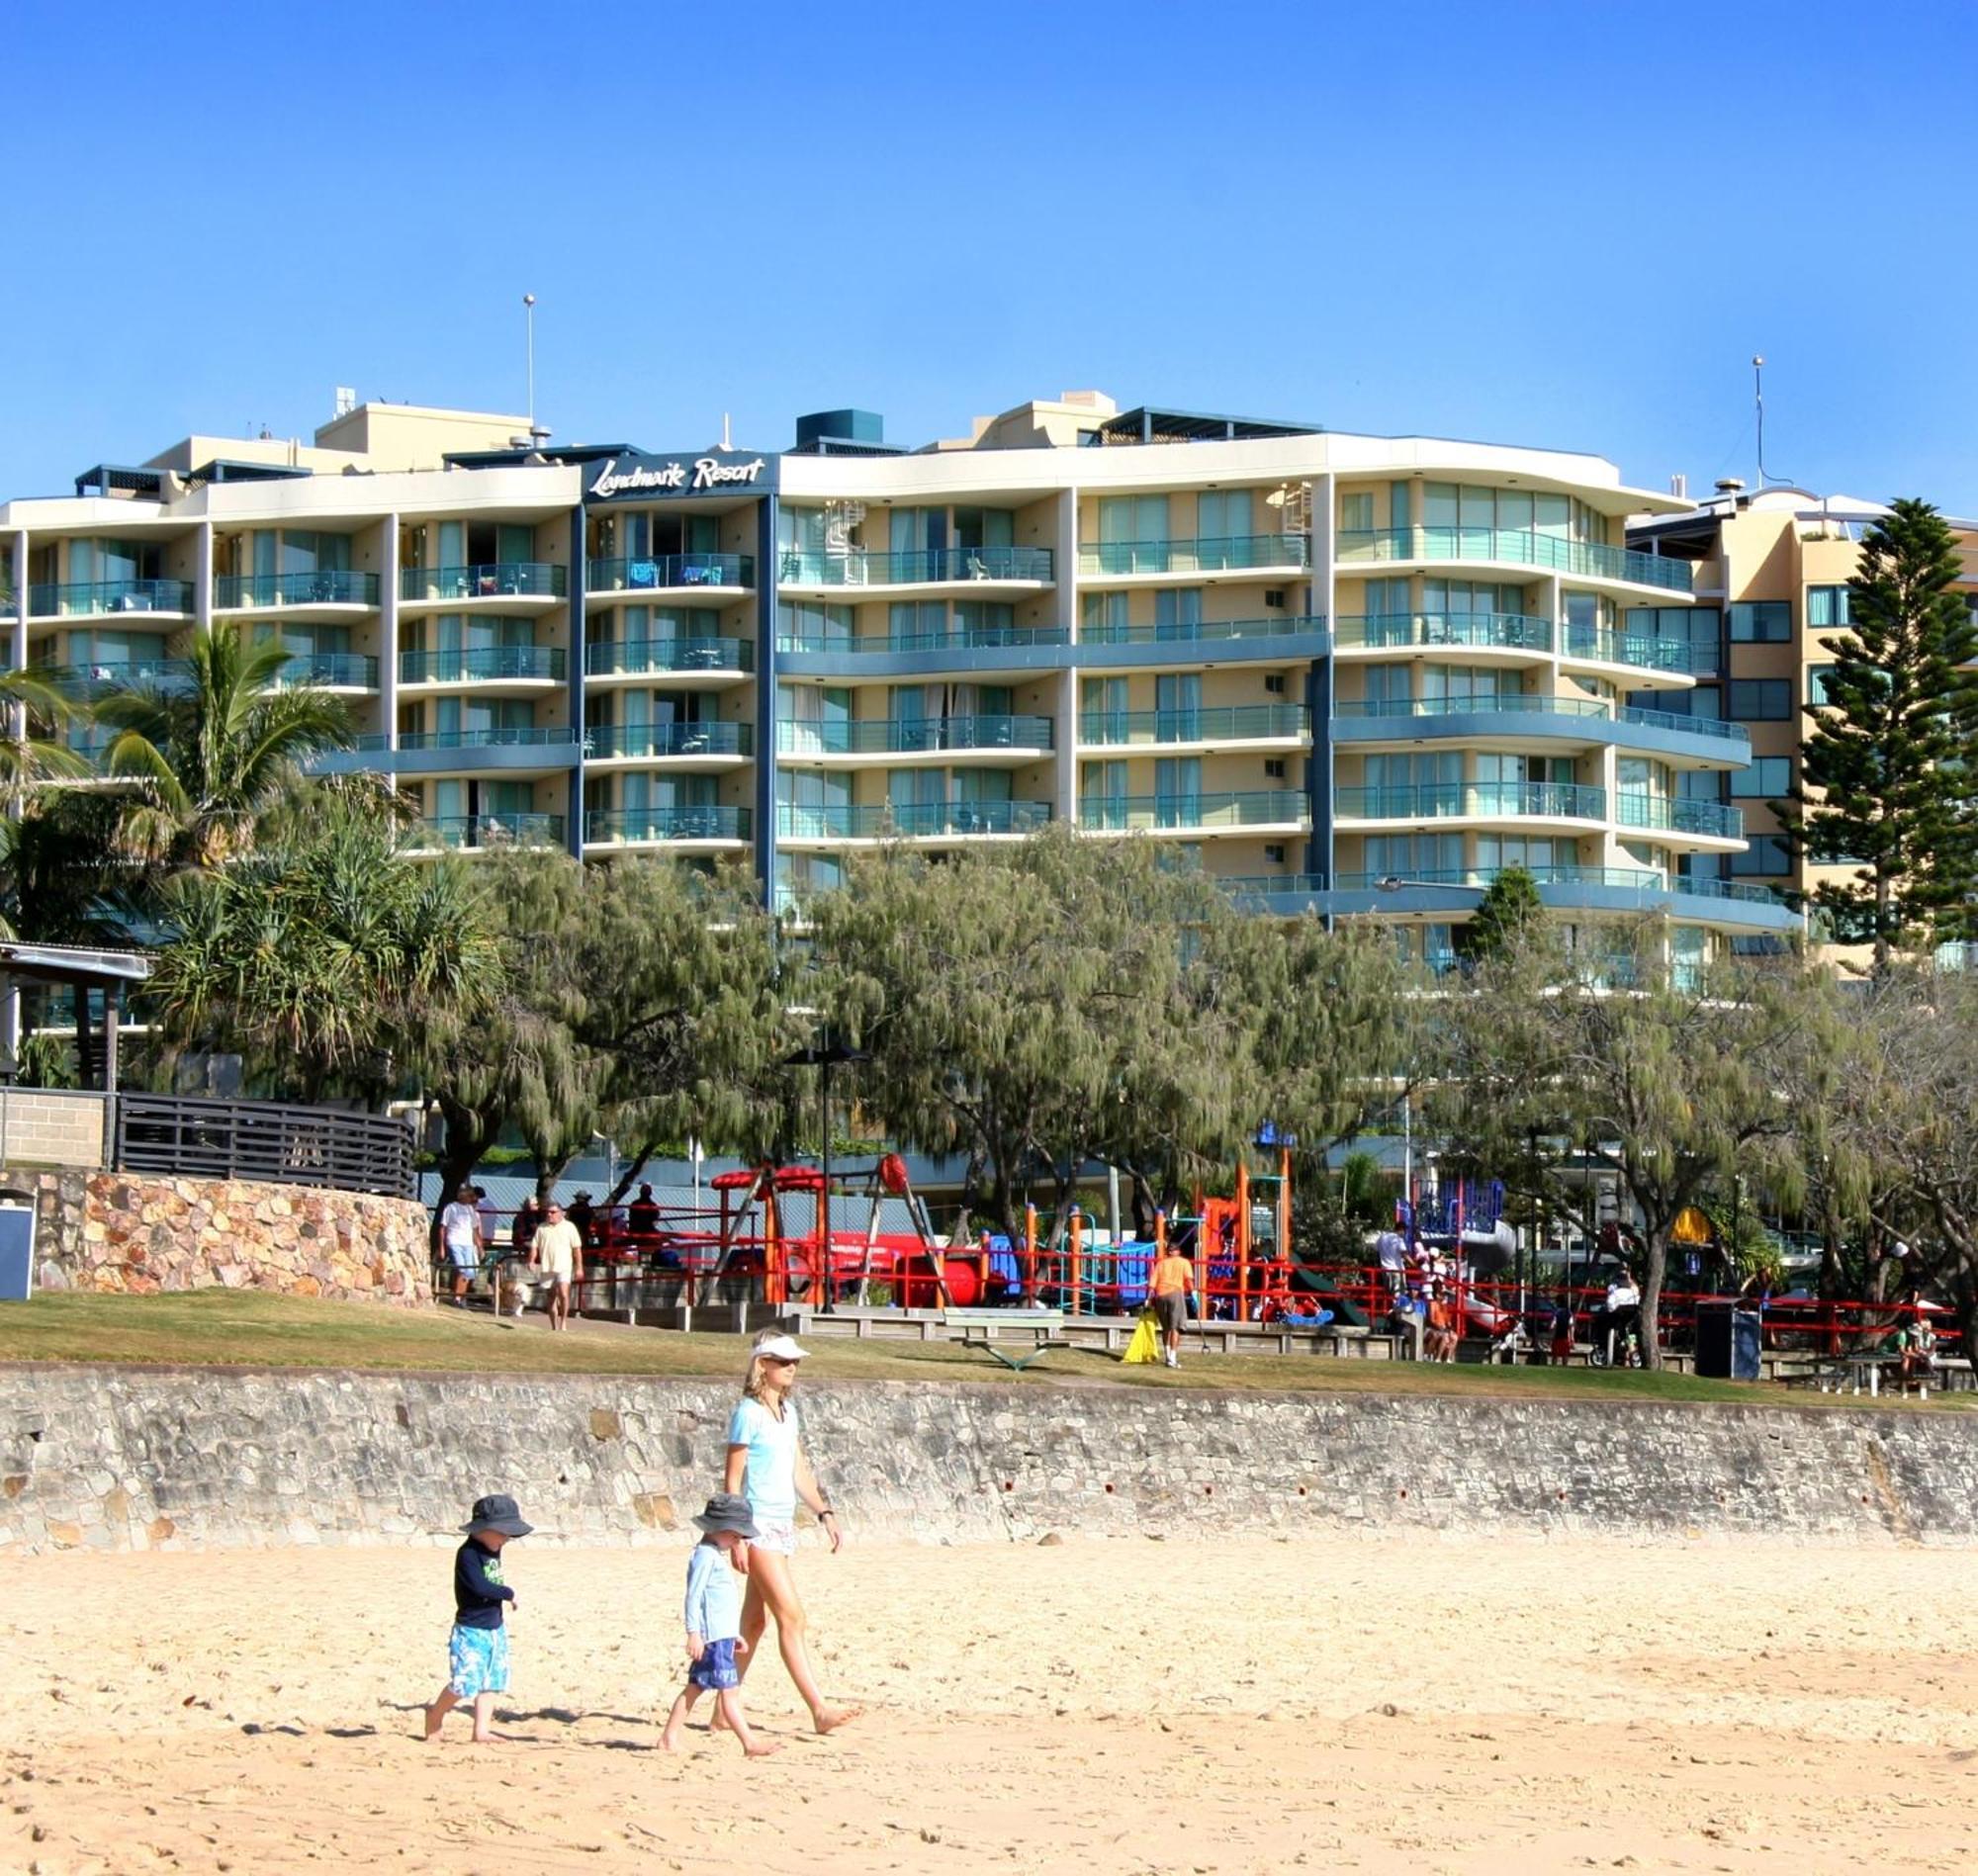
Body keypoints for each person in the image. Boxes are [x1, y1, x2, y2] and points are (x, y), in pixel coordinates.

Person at [722, 1332, 859, 1735]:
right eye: (783, 1362)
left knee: (752, 1625)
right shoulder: (747, 1412)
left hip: (782, 1524)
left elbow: (799, 1470)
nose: (792, 1368)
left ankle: (720, 1710)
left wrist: (824, 1512)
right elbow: (732, 1480)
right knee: (792, 1617)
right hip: (757, 1524)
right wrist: (739, 1535)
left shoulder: (788, 1412)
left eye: (794, 1362)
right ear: (762, 1363)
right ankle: (818, 1709)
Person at [659, 1492, 781, 1757]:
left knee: (694, 1688)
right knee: (728, 1692)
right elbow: (694, 1596)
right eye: (735, 1536)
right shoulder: (704, 1557)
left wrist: (733, 1634)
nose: (738, 1542)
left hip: (720, 1638)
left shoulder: (713, 1554)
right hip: (712, 1641)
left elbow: (719, 1605)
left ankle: (668, 1737)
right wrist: (693, 1633)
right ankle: (749, 1742)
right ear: (720, 1529)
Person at [424, 1493, 531, 1743]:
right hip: (471, 1630)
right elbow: (480, 1587)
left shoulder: (493, 1547)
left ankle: (481, 1731)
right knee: (464, 1683)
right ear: (482, 1529)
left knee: (491, 1681)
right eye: (503, 1533)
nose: (506, 1539)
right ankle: (435, 1715)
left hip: (495, 1628)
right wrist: (509, 1593)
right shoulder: (468, 1554)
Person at [529, 1200, 585, 1331]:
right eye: (548, 1212)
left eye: (553, 1212)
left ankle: (564, 1322)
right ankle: (554, 1325)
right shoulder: (541, 1228)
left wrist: (579, 1268)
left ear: (561, 1213)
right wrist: (531, 1260)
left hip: (564, 1266)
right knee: (551, 1296)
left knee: (564, 1294)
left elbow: (577, 1250)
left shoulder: (570, 1227)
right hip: (547, 1267)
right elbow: (534, 1247)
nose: (549, 1214)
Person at [1148, 1239, 1194, 1369]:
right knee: (1176, 1327)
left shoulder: (1161, 1264)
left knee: (1166, 1327)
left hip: (1160, 1295)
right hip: (1175, 1294)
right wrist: (1193, 1293)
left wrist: (1149, 1298)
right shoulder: (1184, 1262)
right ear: (1178, 1251)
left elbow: (1152, 1282)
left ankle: (1168, 1355)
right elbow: (1189, 1280)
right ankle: (1172, 1358)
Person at [439, 1185, 482, 1306]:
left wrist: (479, 1246)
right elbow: (443, 1228)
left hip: (467, 1243)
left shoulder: (470, 1210)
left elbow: (474, 1229)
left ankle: (461, 1297)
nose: (472, 1199)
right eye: (470, 1195)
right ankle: (457, 1298)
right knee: (461, 1269)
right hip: (454, 1241)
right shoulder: (451, 1208)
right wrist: (442, 1247)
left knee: (468, 1272)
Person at [1591, 1266, 1642, 1367]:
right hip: (1630, 1320)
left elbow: (1610, 1306)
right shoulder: (1633, 1292)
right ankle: (1629, 1352)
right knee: (1629, 1336)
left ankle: (1606, 1343)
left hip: (1616, 1320)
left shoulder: (1616, 1292)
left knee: (1603, 1319)